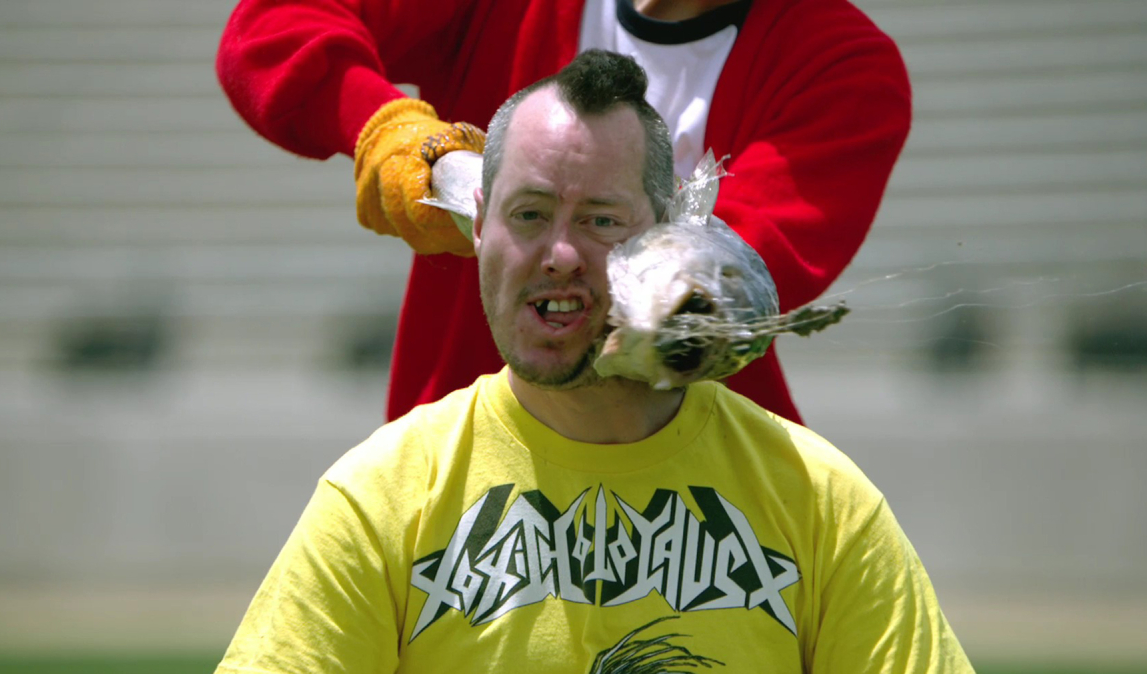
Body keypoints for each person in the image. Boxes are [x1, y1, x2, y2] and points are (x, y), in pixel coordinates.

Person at [210, 51, 995, 674]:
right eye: (528, 215)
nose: (558, 253)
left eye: (600, 220)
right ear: (478, 227)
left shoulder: (821, 504)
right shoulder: (380, 498)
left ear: (671, 238)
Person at [215, 0, 911, 426]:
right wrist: (387, 132)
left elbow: (727, 273)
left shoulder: (843, 64)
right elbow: (270, 28)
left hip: (699, 512)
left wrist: (521, 208)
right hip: (467, 470)